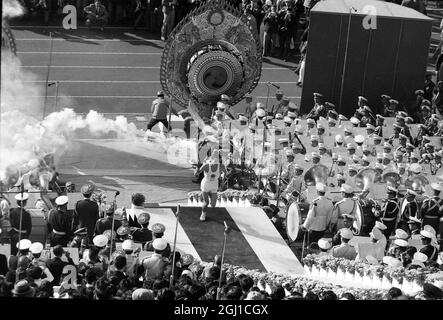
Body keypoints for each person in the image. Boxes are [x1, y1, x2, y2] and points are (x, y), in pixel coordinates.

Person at [197, 149, 226, 222]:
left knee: (213, 205)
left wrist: (222, 181)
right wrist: (196, 171)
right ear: (211, 157)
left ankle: (208, 196)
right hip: (206, 185)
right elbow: (197, 174)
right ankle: (203, 214)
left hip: (214, 185)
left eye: (217, 157)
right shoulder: (206, 165)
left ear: (219, 158)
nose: (215, 159)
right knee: (206, 203)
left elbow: (225, 174)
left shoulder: (221, 166)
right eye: (214, 156)